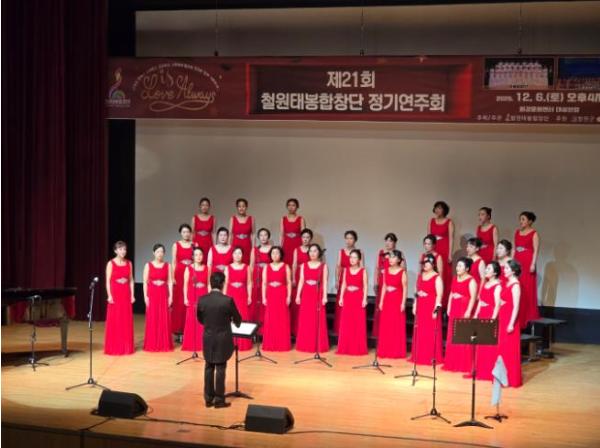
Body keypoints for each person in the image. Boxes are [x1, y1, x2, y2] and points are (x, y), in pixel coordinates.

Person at [197, 272, 242, 409]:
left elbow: (200, 319)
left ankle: (208, 399)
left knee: (208, 367)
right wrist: (233, 321)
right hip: (223, 340)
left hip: (208, 338)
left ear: (210, 283)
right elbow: (238, 320)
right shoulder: (227, 300)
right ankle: (219, 400)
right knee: (220, 368)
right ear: (222, 284)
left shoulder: (202, 300)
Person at [442, 258, 477, 373]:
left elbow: (473, 297)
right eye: (457, 266)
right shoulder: (455, 278)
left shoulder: (471, 281)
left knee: (463, 335)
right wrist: (449, 306)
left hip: (464, 309)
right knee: (453, 334)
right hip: (454, 309)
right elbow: (451, 293)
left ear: (467, 268)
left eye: (460, 266)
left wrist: (468, 311)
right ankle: (452, 362)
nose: (458, 268)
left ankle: (463, 364)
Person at [410, 253, 444, 366]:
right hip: (421, 306)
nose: (424, 264)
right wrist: (415, 304)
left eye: (427, 262)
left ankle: (430, 356)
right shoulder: (420, 276)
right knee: (420, 331)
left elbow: (439, 295)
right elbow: (416, 292)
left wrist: (436, 310)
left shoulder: (437, 277)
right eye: (423, 263)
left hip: (431, 307)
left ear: (433, 264)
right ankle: (419, 355)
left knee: (430, 332)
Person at [295, 243, 329, 353]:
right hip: (306, 294)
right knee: (306, 319)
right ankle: (305, 344)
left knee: (316, 319)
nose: (312, 253)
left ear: (319, 253)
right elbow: (301, 281)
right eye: (310, 251)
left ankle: (316, 345)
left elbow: (324, 282)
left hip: (317, 294)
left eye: (315, 251)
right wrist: (298, 295)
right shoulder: (304, 265)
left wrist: (324, 296)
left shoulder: (323, 266)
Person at [104, 241, 135, 355]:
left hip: (125, 294)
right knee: (116, 320)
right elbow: (108, 281)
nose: (123, 251)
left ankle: (126, 347)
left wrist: (132, 295)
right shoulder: (111, 263)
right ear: (115, 251)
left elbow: (131, 280)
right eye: (121, 249)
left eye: (125, 249)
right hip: (115, 295)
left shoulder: (129, 263)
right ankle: (115, 346)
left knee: (125, 320)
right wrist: (109, 295)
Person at [473, 262, 502, 381]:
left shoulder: (498, 286)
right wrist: (476, 314)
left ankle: (489, 371)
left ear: (495, 272)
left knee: (489, 346)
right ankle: (481, 370)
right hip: (482, 315)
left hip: (490, 315)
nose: (486, 270)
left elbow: (497, 305)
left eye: (489, 269)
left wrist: (492, 320)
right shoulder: (485, 283)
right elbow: (480, 301)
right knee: (481, 344)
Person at [377, 250, 408, 359]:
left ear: (398, 260)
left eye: (393, 257)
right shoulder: (386, 270)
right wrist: (381, 301)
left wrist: (403, 303)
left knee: (395, 325)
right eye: (390, 257)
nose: (390, 259)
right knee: (386, 324)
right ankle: (385, 349)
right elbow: (384, 286)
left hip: (397, 300)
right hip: (387, 300)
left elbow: (405, 288)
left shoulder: (402, 272)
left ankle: (395, 350)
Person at [143, 243, 174, 352]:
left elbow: (170, 282)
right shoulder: (148, 265)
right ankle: (152, 343)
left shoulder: (168, 265)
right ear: (153, 253)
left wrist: (171, 296)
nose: (160, 254)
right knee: (152, 318)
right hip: (152, 294)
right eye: (157, 252)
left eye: (161, 252)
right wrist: (145, 297)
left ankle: (163, 343)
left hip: (163, 294)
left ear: (164, 253)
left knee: (163, 318)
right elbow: (145, 282)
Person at [336, 249, 368, 356]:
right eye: (351, 257)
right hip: (348, 297)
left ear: (359, 259)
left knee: (357, 322)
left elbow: (365, 286)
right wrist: (341, 297)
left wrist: (364, 299)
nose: (352, 259)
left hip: (358, 297)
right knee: (347, 323)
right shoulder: (346, 270)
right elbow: (344, 284)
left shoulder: (363, 271)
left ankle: (357, 347)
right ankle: (345, 347)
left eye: (355, 257)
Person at [512, 211, 540, 328]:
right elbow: (514, 248)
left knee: (527, 287)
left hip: (528, 261)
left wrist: (533, 264)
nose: (521, 221)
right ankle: (518, 314)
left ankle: (527, 315)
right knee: (518, 286)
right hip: (518, 260)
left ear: (530, 221)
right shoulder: (517, 232)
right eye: (520, 219)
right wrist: (511, 262)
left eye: (523, 219)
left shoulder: (534, 233)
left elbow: (536, 250)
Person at [261, 246, 292, 351]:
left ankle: (282, 344)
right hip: (271, 294)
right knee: (271, 318)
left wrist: (289, 296)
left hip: (282, 294)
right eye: (273, 253)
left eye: (277, 253)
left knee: (282, 318)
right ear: (270, 255)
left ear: (281, 254)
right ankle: (270, 343)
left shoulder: (286, 266)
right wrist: (264, 297)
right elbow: (264, 283)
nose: (275, 255)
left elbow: (289, 282)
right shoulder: (266, 267)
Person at [373, 233, 403, 337]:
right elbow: (377, 268)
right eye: (387, 240)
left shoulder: (398, 254)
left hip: (394, 282)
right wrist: (375, 282)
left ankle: (391, 332)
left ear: (395, 243)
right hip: (382, 282)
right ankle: (379, 332)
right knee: (380, 306)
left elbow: (403, 269)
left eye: (391, 241)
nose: (388, 243)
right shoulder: (381, 253)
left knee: (392, 309)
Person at [498, 259, 523, 387]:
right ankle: (502, 377)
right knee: (502, 349)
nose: (504, 270)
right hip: (502, 317)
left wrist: (511, 323)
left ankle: (510, 378)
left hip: (509, 319)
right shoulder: (506, 283)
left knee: (509, 350)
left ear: (513, 271)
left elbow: (516, 306)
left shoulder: (515, 285)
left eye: (507, 268)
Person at [224, 247, 253, 351]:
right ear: (232, 255)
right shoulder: (227, 268)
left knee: (242, 316)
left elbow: (249, 283)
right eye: (235, 253)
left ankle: (243, 343)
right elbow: (225, 283)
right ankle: (230, 343)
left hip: (242, 295)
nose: (237, 255)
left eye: (239, 253)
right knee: (230, 317)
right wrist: (224, 296)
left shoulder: (247, 267)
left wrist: (249, 296)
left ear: (242, 255)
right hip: (231, 294)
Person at [334, 230, 363, 334]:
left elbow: (362, 267)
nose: (348, 240)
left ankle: (352, 329)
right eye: (347, 238)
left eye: (351, 238)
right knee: (341, 304)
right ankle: (340, 329)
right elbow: (338, 266)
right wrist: (337, 280)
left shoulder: (359, 252)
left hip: (355, 281)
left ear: (355, 240)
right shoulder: (341, 251)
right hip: (344, 280)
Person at [182, 247, 209, 352]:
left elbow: (209, 284)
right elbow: (185, 284)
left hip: (203, 295)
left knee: (203, 319)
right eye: (196, 255)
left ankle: (203, 343)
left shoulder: (207, 268)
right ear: (193, 256)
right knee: (192, 319)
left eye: (200, 254)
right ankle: (191, 343)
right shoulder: (188, 268)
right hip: (192, 296)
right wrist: (185, 298)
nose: (198, 257)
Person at [171, 224, 195, 339]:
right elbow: (173, 262)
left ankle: (189, 329)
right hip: (179, 274)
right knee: (179, 302)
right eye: (184, 232)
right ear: (181, 233)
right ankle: (178, 330)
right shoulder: (176, 245)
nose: (186, 234)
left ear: (190, 233)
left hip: (191, 273)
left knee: (189, 300)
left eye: (188, 232)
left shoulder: (194, 245)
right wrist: (172, 277)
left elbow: (196, 261)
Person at [428, 201, 454, 306]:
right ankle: (432, 299)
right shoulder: (431, 221)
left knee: (443, 275)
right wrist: (428, 251)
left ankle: (443, 303)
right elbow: (429, 237)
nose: (437, 210)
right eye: (436, 208)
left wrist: (450, 254)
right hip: (434, 249)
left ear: (444, 210)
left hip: (444, 250)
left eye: (440, 208)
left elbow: (451, 239)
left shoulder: (449, 222)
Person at [291, 228, 313, 336]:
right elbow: (294, 264)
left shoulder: (313, 250)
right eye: (303, 237)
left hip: (309, 277)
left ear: (311, 239)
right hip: (298, 275)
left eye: (307, 237)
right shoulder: (297, 250)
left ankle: (306, 329)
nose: (305, 239)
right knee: (297, 303)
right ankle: (296, 329)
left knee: (307, 303)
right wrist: (293, 278)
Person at [250, 228, 272, 329]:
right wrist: (250, 279)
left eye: (265, 235)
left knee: (267, 298)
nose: (263, 237)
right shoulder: (254, 249)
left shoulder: (273, 249)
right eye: (261, 235)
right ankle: (256, 327)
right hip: (257, 276)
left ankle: (266, 326)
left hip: (268, 275)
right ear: (258, 237)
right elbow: (251, 265)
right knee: (256, 300)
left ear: (268, 237)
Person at [280, 198, 305, 266]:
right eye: (289, 205)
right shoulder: (283, 219)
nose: (291, 207)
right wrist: (280, 246)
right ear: (287, 207)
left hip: (297, 242)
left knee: (297, 261)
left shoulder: (301, 219)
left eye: (293, 205)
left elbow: (304, 235)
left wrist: (304, 247)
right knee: (286, 261)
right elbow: (281, 234)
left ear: (297, 207)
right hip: (286, 243)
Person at [229, 198, 254, 265]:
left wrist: (253, 248)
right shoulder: (233, 218)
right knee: (235, 263)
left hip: (247, 244)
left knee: (247, 262)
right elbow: (230, 234)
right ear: (237, 207)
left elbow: (253, 234)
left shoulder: (251, 219)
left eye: (243, 206)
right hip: (235, 243)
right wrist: (229, 247)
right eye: (239, 206)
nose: (241, 208)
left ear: (246, 207)